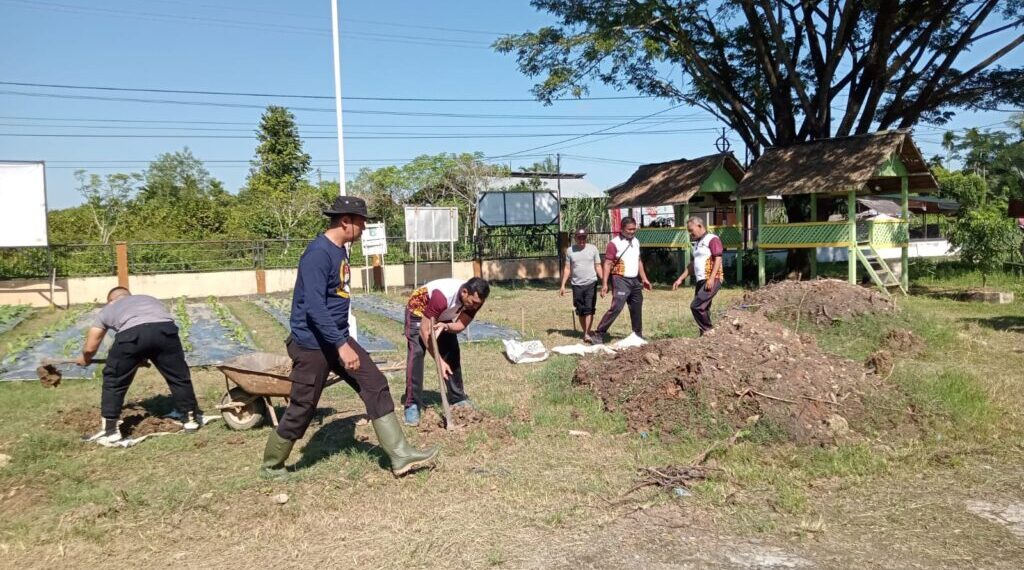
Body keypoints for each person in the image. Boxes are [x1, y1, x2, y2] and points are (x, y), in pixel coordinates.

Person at [261, 196, 438, 478]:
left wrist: (342, 340)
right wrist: (342, 345)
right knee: (303, 406)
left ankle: (400, 455)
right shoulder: (318, 253)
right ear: (346, 221)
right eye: (362, 222)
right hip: (312, 344)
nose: (365, 228)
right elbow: (315, 307)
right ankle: (272, 465)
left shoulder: (340, 249)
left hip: (336, 338)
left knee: (375, 383)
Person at [78, 287, 203, 445]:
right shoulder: (148, 298)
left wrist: (84, 358)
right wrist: (142, 354)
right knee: (178, 376)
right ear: (129, 296)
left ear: (110, 301)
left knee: (114, 380)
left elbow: (90, 348)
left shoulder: (108, 310)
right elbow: (151, 328)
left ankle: (111, 430)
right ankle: (190, 419)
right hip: (165, 332)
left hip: (131, 336)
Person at [402, 277, 490, 426]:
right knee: (417, 352)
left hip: (443, 316)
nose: (475, 306)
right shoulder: (442, 297)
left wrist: (446, 326)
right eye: (473, 303)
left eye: (478, 304)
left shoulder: (476, 301)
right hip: (418, 310)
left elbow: (461, 324)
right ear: (464, 292)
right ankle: (412, 404)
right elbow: (425, 331)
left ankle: (458, 398)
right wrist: (439, 361)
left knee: (451, 349)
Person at [592, 217, 651, 344]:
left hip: (634, 280)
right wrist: (604, 284)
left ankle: (638, 335)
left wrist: (644, 279)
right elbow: (607, 264)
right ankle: (599, 333)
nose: (632, 232)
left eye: (634, 229)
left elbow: (638, 261)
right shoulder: (614, 243)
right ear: (622, 229)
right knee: (617, 307)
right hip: (620, 279)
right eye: (629, 229)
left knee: (636, 306)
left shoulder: (636, 241)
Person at [672, 217, 724, 335]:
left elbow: (718, 259)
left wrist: (711, 279)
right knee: (704, 308)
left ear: (700, 226)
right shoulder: (697, 244)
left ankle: (709, 331)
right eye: (689, 232)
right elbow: (692, 264)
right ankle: (704, 335)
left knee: (697, 306)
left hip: (713, 279)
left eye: (691, 230)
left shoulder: (712, 239)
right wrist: (680, 279)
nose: (690, 234)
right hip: (701, 280)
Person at [559, 228, 604, 343]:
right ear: (575, 238)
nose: (582, 239)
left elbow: (598, 266)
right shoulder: (570, 251)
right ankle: (586, 331)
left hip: (591, 283)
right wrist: (563, 285)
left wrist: (604, 281)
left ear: (586, 237)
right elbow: (567, 268)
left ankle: (586, 334)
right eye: (579, 237)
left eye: (584, 237)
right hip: (576, 284)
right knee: (580, 310)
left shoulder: (593, 249)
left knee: (589, 309)